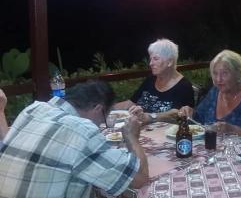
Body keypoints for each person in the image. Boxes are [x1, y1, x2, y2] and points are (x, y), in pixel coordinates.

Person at [0, 80, 149, 198]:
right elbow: (139, 179)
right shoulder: (83, 130)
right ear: (98, 109)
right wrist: (132, 136)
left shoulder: (33, 109)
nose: (101, 124)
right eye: (104, 117)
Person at [180, 50, 241, 141]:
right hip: (210, 150)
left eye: (224, 73)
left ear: (238, 73)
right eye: (215, 73)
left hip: (239, 153)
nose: (218, 79)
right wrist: (189, 112)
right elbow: (198, 119)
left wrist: (232, 129)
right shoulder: (214, 92)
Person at [115, 38, 194, 124]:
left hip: (163, 134)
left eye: (155, 59)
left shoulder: (183, 86)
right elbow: (131, 103)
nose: (150, 63)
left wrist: (149, 117)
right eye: (150, 59)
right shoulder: (151, 79)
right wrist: (106, 108)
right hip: (141, 129)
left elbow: (176, 114)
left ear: (170, 62)